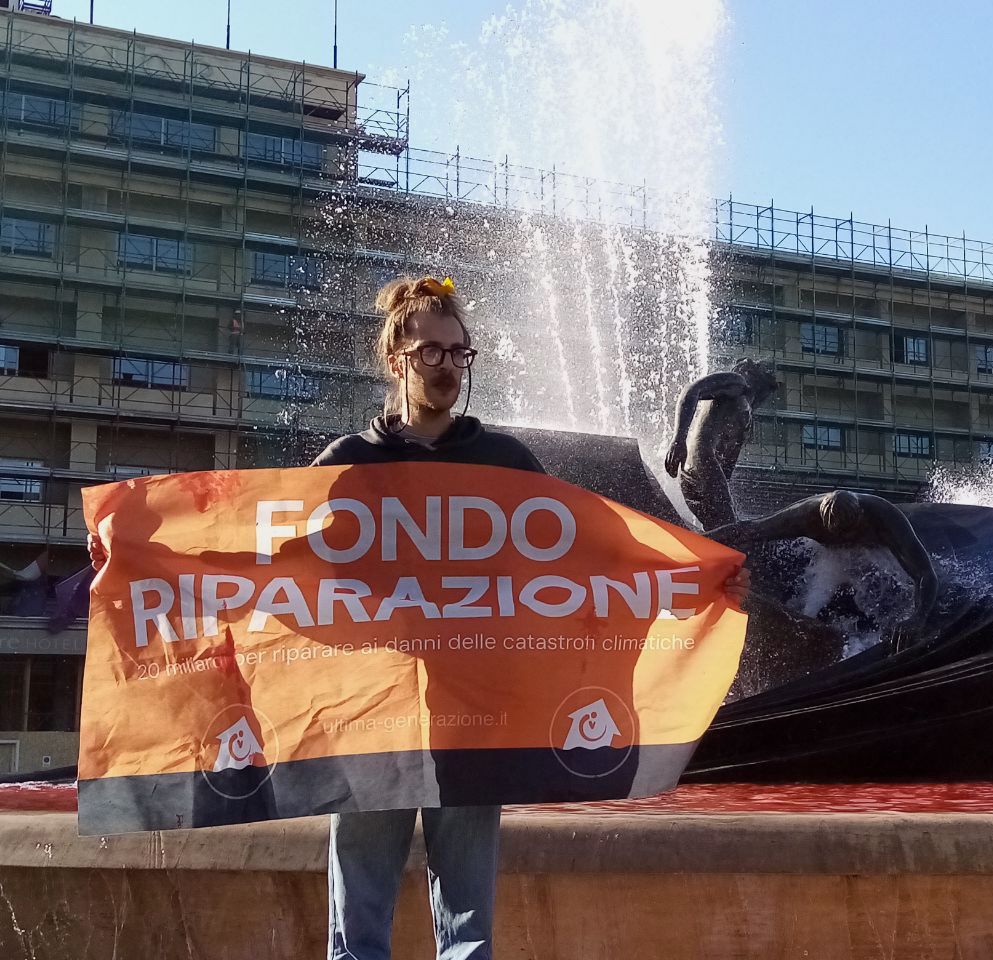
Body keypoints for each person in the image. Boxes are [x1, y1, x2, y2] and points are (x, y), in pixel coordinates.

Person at [89, 274, 750, 960]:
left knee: (469, 935)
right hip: (371, 718)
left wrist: (703, 571)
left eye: (459, 353)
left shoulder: (505, 462)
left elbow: (591, 550)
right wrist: (136, 548)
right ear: (396, 359)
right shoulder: (348, 464)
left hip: (477, 715)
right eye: (431, 353)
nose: (448, 368)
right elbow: (262, 552)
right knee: (358, 931)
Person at [663, 358, 779, 530]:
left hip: (709, 468)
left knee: (721, 527)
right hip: (702, 458)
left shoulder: (747, 412)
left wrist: (724, 489)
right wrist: (679, 439)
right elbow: (691, 390)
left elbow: (730, 459)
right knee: (729, 527)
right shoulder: (737, 382)